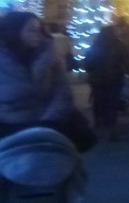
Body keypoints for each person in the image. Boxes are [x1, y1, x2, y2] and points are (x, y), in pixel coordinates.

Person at [0, 11, 74, 139]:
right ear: (14, 32)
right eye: (31, 30)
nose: (38, 35)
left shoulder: (50, 55)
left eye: (39, 30)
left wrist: (50, 120)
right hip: (8, 127)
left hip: (48, 124)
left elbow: (62, 90)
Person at [83, 23, 129, 140]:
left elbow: (87, 63)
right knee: (112, 103)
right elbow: (126, 60)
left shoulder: (96, 45)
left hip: (97, 79)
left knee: (98, 102)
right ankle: (111, 127)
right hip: (115, 79)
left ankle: (98, 123)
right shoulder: (119, 45)